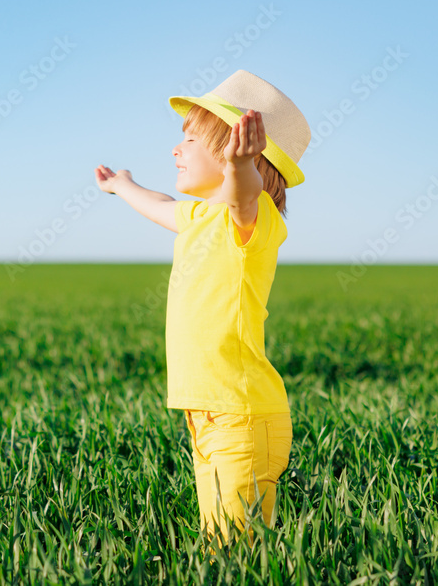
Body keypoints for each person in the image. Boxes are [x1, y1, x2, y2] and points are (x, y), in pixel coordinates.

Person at [94, 69, 311, 555]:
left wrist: (241, 166)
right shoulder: (200, 218)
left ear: (242, 151)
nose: (177, 148)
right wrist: (123, 186)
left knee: (238, 554)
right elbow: (160, 205)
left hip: (242, 418)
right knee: (221, 549)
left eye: (190, 138)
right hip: (209, 417)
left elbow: (243, 194)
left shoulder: (253, 222)